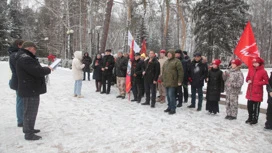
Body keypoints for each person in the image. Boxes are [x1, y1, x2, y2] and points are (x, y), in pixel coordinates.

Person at [16, 41, 52, 140]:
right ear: (30, 48)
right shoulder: (25, 58)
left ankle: (29, 129)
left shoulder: (24, 56)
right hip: (30, 88)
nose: (35, 51)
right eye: (34, 49)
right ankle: (28, 133)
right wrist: (48, 69)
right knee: (30, 111)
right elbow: (36, 71)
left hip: (30, 88)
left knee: (30, 110)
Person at [245, 57, 269, 125]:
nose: (254, 64)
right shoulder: (251, 70)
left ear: (259, 63)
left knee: (256, 107)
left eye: (256, 63)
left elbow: (267, 81)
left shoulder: (263, 71)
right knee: (249, 106)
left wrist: (258, 83)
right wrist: (248, 80)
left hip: (257, 92)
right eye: (253, 63)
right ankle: (250, 117)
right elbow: (247, 78)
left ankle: (255, 119)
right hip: (250, 91)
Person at [8, 39, 24, 127]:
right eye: (23, 45)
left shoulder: (15, 54)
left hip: (18, 80)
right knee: (21, 100)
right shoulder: (15, 55)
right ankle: (21, 120)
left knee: (21, 100)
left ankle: (21, 119)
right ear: (19, 45)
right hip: (18, 81)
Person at [162, 49, 184, 114]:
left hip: (173, 82)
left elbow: (180, 72)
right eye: (168, 54)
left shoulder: (177, 61)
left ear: (173, 54)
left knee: (172, 96)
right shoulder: (166, 62)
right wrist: (162, 79)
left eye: (170, 54)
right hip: (166, 82)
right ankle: (169, 107)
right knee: (168, 96)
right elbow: (163, 72)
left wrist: (180, 80)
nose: (168, 55)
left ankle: (173, 108)